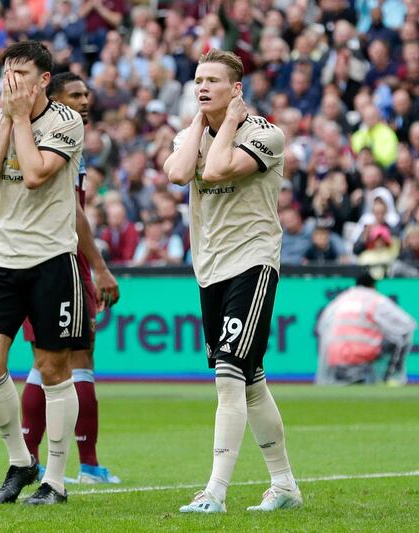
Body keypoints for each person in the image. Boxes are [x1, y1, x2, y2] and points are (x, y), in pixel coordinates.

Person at [164, 49, 302, 513]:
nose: (201, 87)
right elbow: (179, 173)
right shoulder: (192, 133)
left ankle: (215, 493)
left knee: (229, 376)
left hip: (253, 262)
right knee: (250, 380)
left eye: (212, 81)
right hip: (210, 267)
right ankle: (284, 486)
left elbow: (220, 168)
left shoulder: (266, 134)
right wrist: (203, 126)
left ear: (236, 89)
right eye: (198, 80)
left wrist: (220, 127)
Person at [0, 41, 86, 505]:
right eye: (7, 72)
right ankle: (21, 460)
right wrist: (8, 120)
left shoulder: (66, 120)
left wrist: (18, 119)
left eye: (21, 73)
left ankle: (54, 480)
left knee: (53, 367)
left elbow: (36, 173)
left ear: (42, 81)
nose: (11, 81)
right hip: (1, 258)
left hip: (52, 258)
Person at [19, 72, 121, 485]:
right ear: (52, 97)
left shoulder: (46, 137)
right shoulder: (60, 137)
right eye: (74, 94)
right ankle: (89, 465)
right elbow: (75, 213)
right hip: (60, 260)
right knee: (75, 359)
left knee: (44, 362)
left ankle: (29, 459)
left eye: (86, 93)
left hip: (34, 255)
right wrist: (98, 266)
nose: (85, 100)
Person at [316, 273, 416, 385]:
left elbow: (321, 328)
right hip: (362, 354)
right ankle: (390, 378)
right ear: (373, 285)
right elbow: (407, 324)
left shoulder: (340, 300)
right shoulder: (374, 299)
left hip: (334, 357)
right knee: (398, 338)